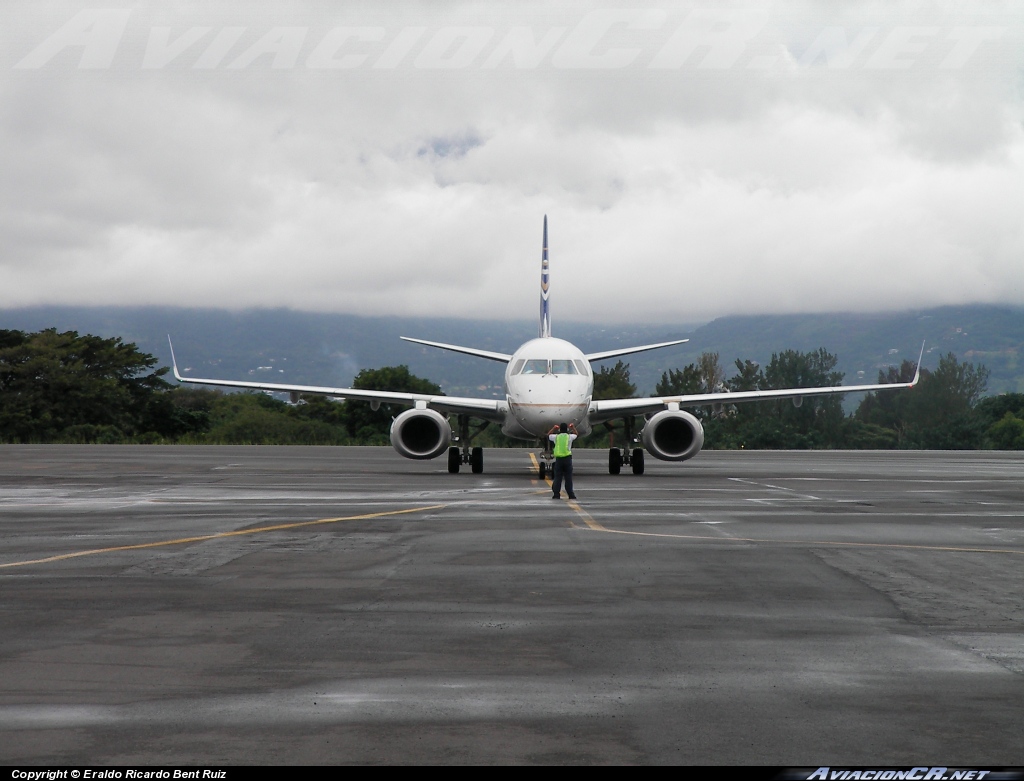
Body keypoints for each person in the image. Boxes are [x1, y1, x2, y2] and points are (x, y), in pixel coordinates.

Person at [548, 422, 578, 500]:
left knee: (558, 477)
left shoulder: (556, 437)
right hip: (567, 459)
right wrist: (573, 427)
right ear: (567, 429)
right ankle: (571, 494)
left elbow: (548, 435)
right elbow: (576, 434)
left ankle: (556, 494)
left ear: (559, 429)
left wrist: (554, 428)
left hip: (559, 460)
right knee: (568, 478)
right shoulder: (569, 437)